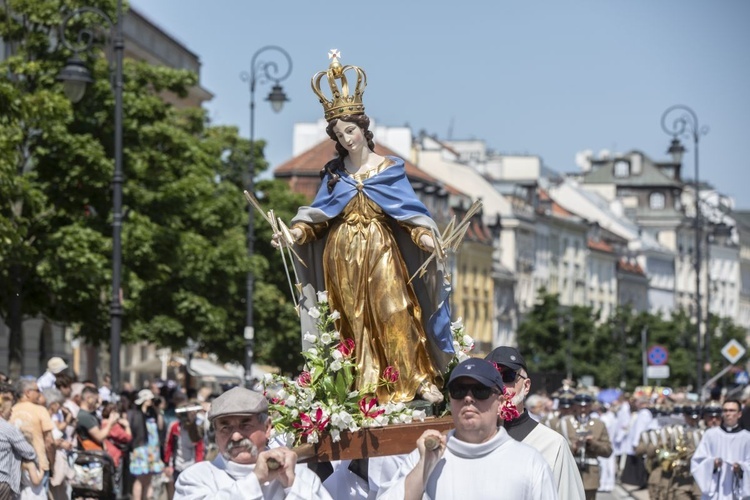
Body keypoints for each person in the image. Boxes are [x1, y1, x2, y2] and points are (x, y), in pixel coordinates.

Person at [273, 51, 453, 404]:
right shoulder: (334, 175)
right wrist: (292, 234)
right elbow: (316, 217)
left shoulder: (388, 170)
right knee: (349, 322)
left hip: (381, 250)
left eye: (351, 130)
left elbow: (408, 214)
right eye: (339, 134)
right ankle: (356, 389)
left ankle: (416, 379)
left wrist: (426, 237)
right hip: (341, 256)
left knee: (396, 310)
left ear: (363, 129)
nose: (347, 139)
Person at [377, 358, 557, 499]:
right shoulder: (424, 458)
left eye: (480, 391)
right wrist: (424, 466)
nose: (468, 398)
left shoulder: (529, 462)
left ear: (501, 403)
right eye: (459, 390)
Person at [174, 386, 332, 499]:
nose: (236, 437)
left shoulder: (301, 477)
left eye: (245, 425)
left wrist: (292, 486)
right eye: (225, 428)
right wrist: (255, 480)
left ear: (267, 427)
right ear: (215, 434)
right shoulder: (195, 478)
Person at [485, 346, 584, 499]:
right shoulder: (468, 441)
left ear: (526, 386)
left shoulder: (552, 444)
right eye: (490, 377)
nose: (498, 384)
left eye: (508, 376)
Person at [552, 392, 612, 500]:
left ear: (591, 406)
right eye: (580, 406)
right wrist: (574, 447)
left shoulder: (599, 424)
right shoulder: (565, 423)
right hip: (569, 472)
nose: (583, 409)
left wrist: (592, 443)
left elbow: (608, 451)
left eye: (586, 406)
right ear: (574, 406)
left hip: (590, 474)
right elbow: (555, 448)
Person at [691, 399, 750, 499]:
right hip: (715, 492)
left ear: (739, 414)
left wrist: (741, 468)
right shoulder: (710, 435)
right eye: (725, 410)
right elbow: (698, 461)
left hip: (737, 492)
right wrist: (712, 464)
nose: (728, 414)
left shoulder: (747, 437)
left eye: (732, 410)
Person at [10, 379, 55, 495]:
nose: (40, 394)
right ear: (28, 392)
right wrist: (51, 463)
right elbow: (49, 441)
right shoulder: (40, 410)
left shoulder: (10, 411)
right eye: (37, 390)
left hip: (13, 465)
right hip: (38, 465)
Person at [127, 389, 165, 500]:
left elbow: (161, 427)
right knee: (140, 479)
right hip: (141, 448)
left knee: (148, 479)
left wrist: (158, 411)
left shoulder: (152, 413)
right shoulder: (136, 413)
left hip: (153, 449)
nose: (151, 401)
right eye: (149, 398)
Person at [164, 399, 205, 500]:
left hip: (192, 466)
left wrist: (199, 465)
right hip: (177, 465)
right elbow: (169, 446)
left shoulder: (196, 428)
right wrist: (167, 465)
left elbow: (199, 448)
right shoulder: (174, 427)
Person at [0, 399, 38, 499]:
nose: (12, 412)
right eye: (9, 409)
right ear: (1, 411)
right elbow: (28, 452)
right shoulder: (7, 428)